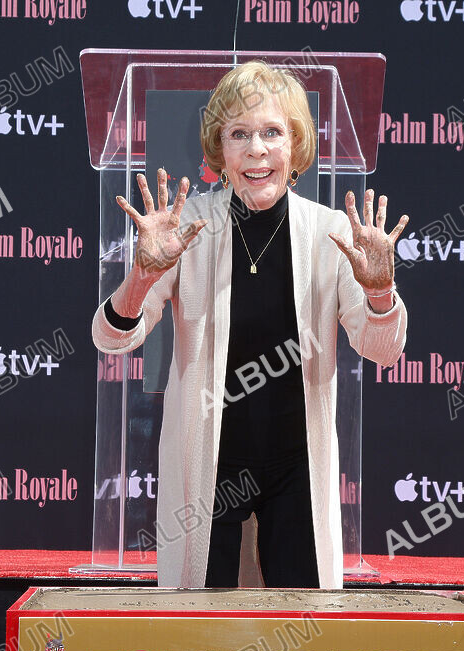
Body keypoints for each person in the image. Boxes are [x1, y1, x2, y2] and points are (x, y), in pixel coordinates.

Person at [92, 61, 408, 589]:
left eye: (272, 132)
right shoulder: (187, 228)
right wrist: (143, 277)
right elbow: (113, 336)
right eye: (239, 134)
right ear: (219, 150)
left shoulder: (331, 233)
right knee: (200, 626)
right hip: (208, 459)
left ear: (297, 145)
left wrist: (379, 291)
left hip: (297, 464)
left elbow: (381, 349)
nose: (256, 149)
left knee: (304, 626)